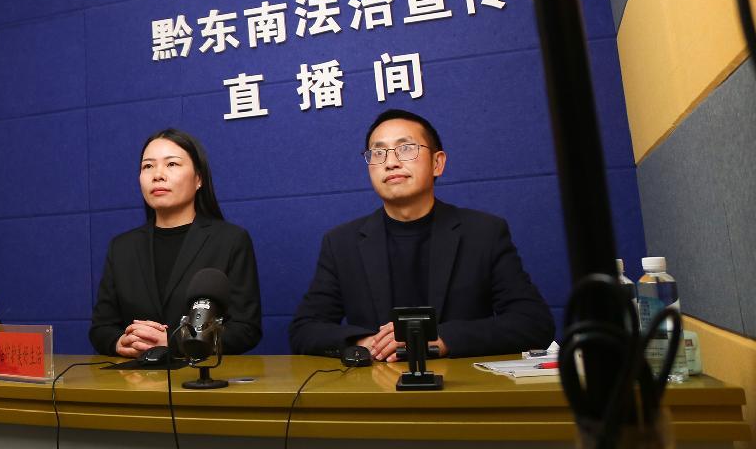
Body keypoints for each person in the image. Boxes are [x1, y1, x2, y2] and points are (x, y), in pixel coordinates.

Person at [289, 109, 554, 360]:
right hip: (375, 384)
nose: (391, 162)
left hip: (463, 386)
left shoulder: (484, 232)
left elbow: (533, 323)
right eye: (378, 153)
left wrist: (440, 338)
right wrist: (366, 343)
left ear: (437, 163)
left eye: (405, 149)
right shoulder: (341, 243)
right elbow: (304, 329)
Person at [89, 129, 262, 358]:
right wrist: (120, 342)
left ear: (198, 178)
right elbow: (101, 328)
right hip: (137, 376)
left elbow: (246, 329)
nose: (158, 175)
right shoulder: (121, 247)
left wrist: (176, 342)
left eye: (171, 164)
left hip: (200, 376)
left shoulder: (231, 240)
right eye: (148, 166)